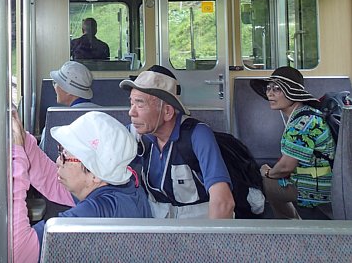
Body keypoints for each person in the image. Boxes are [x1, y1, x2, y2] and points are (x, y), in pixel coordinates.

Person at [12, 110, 152, 263]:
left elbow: (20, 253)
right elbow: (53, 181)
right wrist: (22, 141)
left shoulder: (96, 214)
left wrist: (17, 161)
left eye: (64, 155)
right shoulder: (123, 188)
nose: (58, 161)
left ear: (95, 174)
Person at [120, 65, 235, 219]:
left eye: (140, 104)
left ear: (167, 111)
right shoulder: (135, 133)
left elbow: (223, 203)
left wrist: (211, 234)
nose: (131, 112)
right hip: (156, 224)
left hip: (197, 224)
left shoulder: (198, 135)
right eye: (131, 103)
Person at [250, 66, 335, 219]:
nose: (270, 93)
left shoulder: (302, 124)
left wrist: (268, 173)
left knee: (264, 182)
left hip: (315, 189)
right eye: (268, 88)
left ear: (293, 92)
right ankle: (292, 222)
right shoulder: (306, 114)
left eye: (277, 89)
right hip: (319, 181)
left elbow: (285, 167)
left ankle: (289, 224)